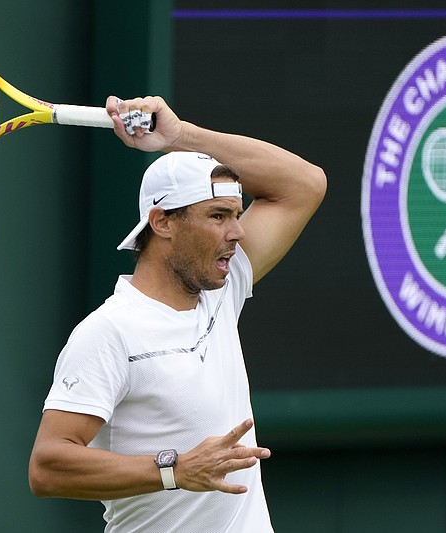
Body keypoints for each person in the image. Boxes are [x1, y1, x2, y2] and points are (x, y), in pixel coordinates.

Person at [28, 95, 326, 532]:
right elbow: (48, 467)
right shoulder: (109, 332)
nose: (237, 232)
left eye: (237, 215)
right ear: (163, 222)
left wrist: (179, 136)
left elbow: (306, 183)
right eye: (218, 215)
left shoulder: (221, 292)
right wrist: (174, 469)